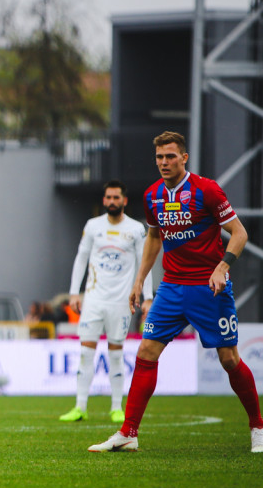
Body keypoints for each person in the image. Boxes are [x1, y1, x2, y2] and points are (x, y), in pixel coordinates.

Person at [90, 131, 263, 453]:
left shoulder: (206, 190)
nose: (164, 163)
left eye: (170, 156)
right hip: (171, 287)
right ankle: (129, 433)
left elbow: (239, 233)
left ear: (184, 157)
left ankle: (258, 428)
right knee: (145, 353)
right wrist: (140, 279)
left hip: (208, 289)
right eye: (159, 157)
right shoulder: (153, 194)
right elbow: (154, 238)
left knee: (228, 359)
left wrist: (222, 267)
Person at [60, 180, 153, 424]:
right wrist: (74, 292)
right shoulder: (93, 226)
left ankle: (116, 407)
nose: (112, 201)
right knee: (85, 352)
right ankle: (80, 406)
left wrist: (148, 297)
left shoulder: (135, 229)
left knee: (115, 354)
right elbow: (81, 259)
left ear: (124, 201)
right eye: (108, 197)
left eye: (116, 197)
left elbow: (146, 265)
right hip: (93, 299)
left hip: (120, 302)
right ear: (104, 200)